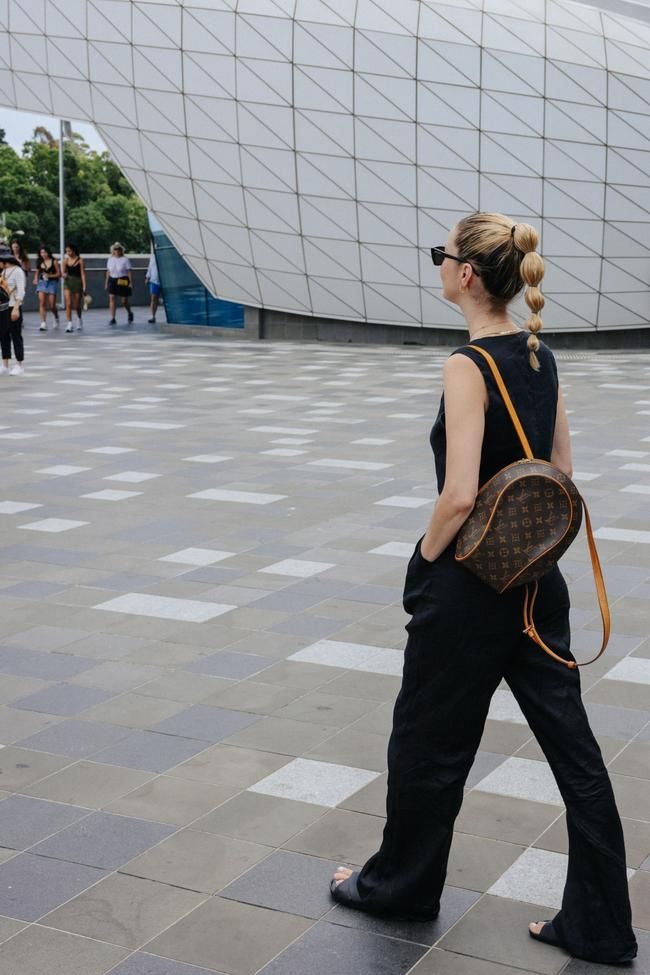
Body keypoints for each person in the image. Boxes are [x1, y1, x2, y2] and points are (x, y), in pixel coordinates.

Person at [329, 212, 637, 967]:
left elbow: (459, 494)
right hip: (536, 584)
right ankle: (601, 924)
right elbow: (560, 469)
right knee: (577, 754)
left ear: (467, 273)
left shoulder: (468, 365)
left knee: (428, 743)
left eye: (443, 255)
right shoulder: (542, 355)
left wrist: (425, 558)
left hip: (468, 589)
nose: (439, 264)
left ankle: (402, 884)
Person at [0, 247, 26, 375]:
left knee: (16, 335)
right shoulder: (3, 272)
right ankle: (4, 364)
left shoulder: (18, 271)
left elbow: (21, 291)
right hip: (3, 307)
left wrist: (16, 308)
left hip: (13, 306)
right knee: (3, 336)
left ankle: (19, 364)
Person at [33, 245, 61, 331]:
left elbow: (59, 274)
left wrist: (50, 275)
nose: (43, 254)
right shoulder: (39, 261)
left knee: (52, 305)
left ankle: (56, 317)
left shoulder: (54, 261)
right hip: (42, 283)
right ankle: (43, 323)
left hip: (52, 283)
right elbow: (37, 272)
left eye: (44, 252)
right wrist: (35, 279)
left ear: (48, 252)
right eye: (41, 252)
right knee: (42, 303)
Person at [105, 242, 133, 326]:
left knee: (124, 301)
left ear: (121, 250)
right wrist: (106, 282)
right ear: (112, 250)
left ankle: (130, 312)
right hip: (112, 279)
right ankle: (113, 318)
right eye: (115, 249)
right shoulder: (110, 259)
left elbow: (129, 271)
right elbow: (108, 271)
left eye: (118, 249)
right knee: (112, 297)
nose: (117, 250)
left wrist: (131, 282)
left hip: (122, 279)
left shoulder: (125, 259)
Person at [61, 242, 86, 332]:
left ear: (74, 250)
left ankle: (79, 319)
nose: (68, 253)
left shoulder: (80, 260)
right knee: (68, 303)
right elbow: (63, 272)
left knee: (77, 305)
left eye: (69, 251)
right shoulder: (65, 261)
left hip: (77, 282)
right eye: (67, 251)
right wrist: (64, 275)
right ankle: (69, 323)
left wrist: (84, 286)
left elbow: (83, 273)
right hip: (68, 282)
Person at [145, 251, 161, 324]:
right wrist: (147, 277)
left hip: (165, 281)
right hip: (154, 281)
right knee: (153, 298)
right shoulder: (152, 256)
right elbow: (150, 267)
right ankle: (153, 316)